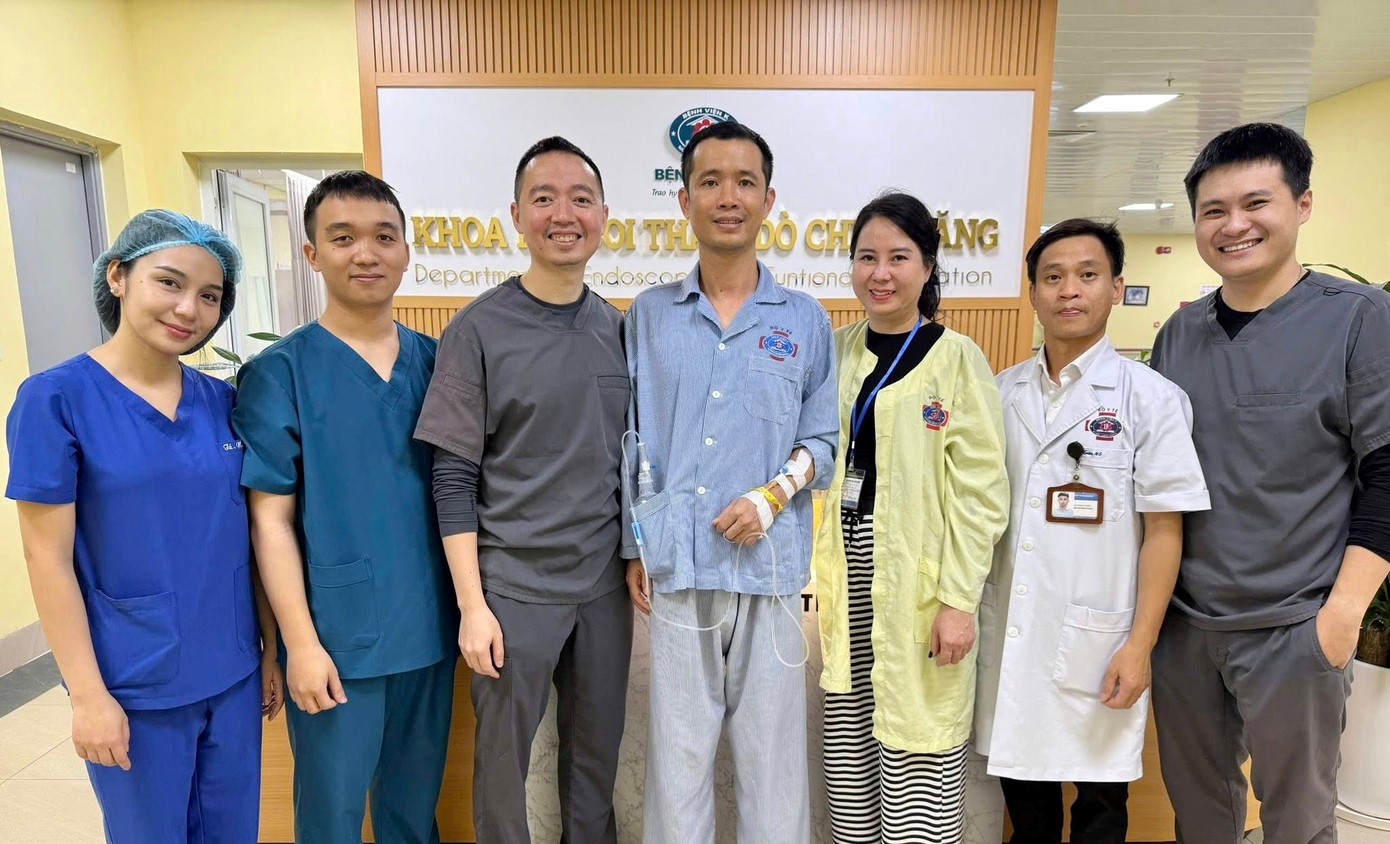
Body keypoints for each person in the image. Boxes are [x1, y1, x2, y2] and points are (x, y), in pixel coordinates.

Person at [5, 209, 281, 843]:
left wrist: (268, 648)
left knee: (234, 833)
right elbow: (47, 559)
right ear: (118, 276)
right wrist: (86, 696)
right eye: (169, 282)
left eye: (209, 296)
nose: (189, 309)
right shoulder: (55, 400)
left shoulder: (222, 402)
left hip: (233, 669)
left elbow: (246, 535)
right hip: (134, 682)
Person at [1150, 122, 1390, 843]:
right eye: (1213, 210)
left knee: (1298, 823)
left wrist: (1341, 616)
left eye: (1256, 203)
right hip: (1186, 626)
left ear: (1302, 204)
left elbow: (1386, 473)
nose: (1234, 225)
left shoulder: (1359, 320)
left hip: (1294, 626)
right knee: (1200, 819)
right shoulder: (1179, 335)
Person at [413, 136, 633, 843]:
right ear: (516, 215)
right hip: (511, 591)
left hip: (601, 588)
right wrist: (472, 606)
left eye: (580, 199)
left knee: (595, 762)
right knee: (503, 774)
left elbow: (631, 465)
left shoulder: (617, 329)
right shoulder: (476, 330)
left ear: (604, 216)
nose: (563, 215)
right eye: (544, 199)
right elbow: (452, 477)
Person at [624, 120, 838, 843]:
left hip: (770, 574)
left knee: (773, 765)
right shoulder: (650, 317)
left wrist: (772, 495)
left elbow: (822, 443)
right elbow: (631, 440)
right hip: (677, 568)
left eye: (745, 182)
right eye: (710, 182)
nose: (728, 197)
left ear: (768, 199)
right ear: (684, 200)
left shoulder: (803, 320)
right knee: (677, 763)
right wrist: (632, 545)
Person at [233, 171, 458, 844]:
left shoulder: (439, 364)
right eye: (343, 238)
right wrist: (300, 645)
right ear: (312, 254)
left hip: (429, 627)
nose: (366, 253)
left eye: (384, 237)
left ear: (406, 252)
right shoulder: (281, 372)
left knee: (413, 810)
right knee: (329, 816)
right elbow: (269, 520)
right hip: (336, 638)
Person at [975, 218, 1209, 844]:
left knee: (1102, 803)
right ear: (1033, 293)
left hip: (1101, 635)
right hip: (1015, 630)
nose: (1070, 290)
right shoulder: (999, 392)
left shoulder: (1151, 398)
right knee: (1025, 800)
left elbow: (1165, 532)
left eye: (1087, 275)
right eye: (1053, 277)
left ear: (1116, 288)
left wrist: (1139, 646)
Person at [811, 191, 1009, 843]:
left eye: (899, 257)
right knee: (850, 761)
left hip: (920, 587)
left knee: (916, 764)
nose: (881, 273)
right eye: (866, 257)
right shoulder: (836, 352)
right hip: (849, 575)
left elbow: (982, 494)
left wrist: (958, 601)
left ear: (927, 267)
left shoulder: (957, 359)